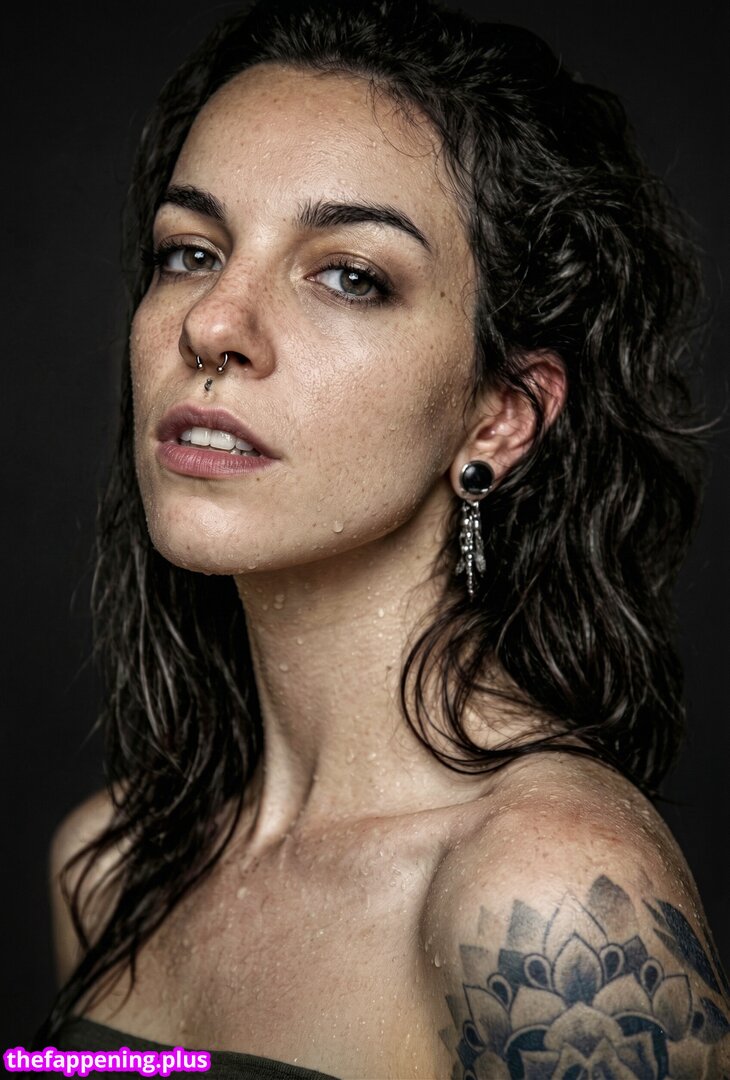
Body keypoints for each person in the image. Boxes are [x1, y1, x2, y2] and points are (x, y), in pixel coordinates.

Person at [33, 0, 728, 1076]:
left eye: (350, 275)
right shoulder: (107, 865)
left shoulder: (549, 902)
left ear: (500, 415)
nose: (211, 323)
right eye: (190, 251)